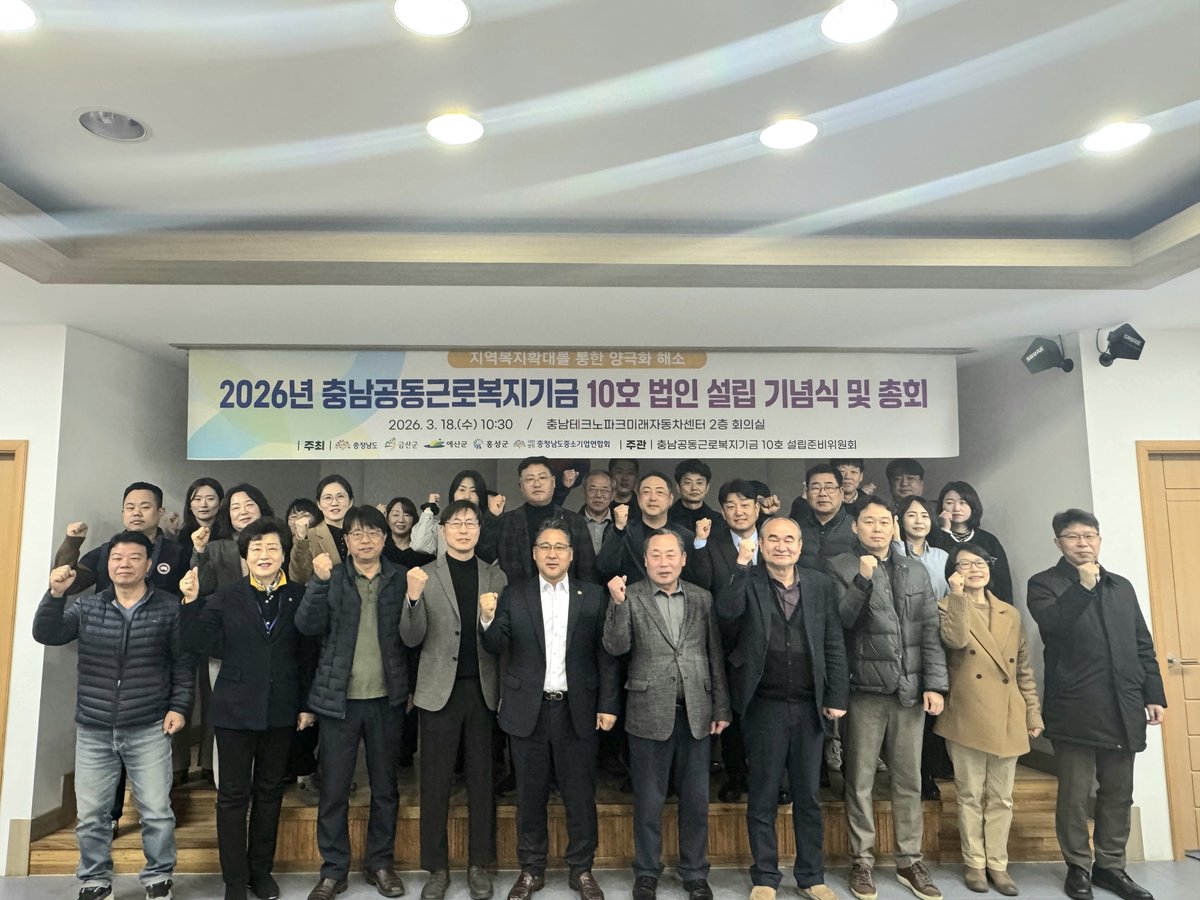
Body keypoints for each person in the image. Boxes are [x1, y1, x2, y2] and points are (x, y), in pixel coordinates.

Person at [35, 530, 193, 900]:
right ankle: (95, 880)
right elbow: (47, 633)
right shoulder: (88, 607)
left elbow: (183, 663)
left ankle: (158, 877)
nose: (125, 564)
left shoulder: (169, 607)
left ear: (149, 565)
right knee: (92, 814)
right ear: (108, 564)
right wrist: (55, 595)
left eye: (134, 557)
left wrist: (179, 707)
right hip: (94, 727)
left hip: (149, 724)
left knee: (156, 811)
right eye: (117, 558)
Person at [1027, 510, 1166, 900]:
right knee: (1074, 794)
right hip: (1075, 706)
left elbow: (1142, 643)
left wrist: (1153, 694)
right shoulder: (1044, 583)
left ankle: (1110, 866)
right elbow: (1052, 625)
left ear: (1099, 540)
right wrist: (1084, 588)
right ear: (1058, 543)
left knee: (1118, 793)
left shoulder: (1121, 586)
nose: (1083, 543)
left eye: (1089, 535)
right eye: (1073, 537)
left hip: (1123, 704)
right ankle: (1077, 866)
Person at [178, 518, 318, 900]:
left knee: (270, 793)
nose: (264, 555)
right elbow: (196, 640)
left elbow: (308, 655)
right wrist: (189, 602)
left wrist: (307, 704)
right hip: (234, 711)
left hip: (281, 710)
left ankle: (261, 872)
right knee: (232, 797)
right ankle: (235, 880)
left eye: (272, 547)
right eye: (256, 548)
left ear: (284, 553)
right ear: (246, 556)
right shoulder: (226, 596)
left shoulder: (301, 596)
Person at [480, 521, 620, 900]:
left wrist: (608, 704)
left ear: (571, 555)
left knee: (580, 795)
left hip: (578, 709)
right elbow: (496, 644)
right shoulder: (514, 594)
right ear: (534, 554)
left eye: (560, 547)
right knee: (530, 795)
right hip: (529, 709)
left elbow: (606, 655)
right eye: (545, 547)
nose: (552, 554)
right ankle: (531, 869)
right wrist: (488, 619)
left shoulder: (592, 596)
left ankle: (582, 869)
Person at [716, 516, 849, 900]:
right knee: (763, 794)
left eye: (789, 539)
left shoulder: (819, 584)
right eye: (772, 539)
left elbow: (833, 641)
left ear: (800, 545)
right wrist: (742, 566)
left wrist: (837, 695)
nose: (781, 545)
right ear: (761, 544)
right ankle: (765, 876)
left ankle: (811, 876)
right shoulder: (748, 579)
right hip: (764, 706)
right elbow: (726, 614)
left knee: (808, 797)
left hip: (809, 705)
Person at [826, 497, 948, 900]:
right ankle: (861, 860)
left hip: (909, 691)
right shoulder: (840, 566)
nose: (876, 528)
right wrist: (862, 581)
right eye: (868, 521)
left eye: (883, 521)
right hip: (864, 691)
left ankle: (909, 860)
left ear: (894, 526)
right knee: (859, 780)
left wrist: (935, 684)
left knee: (908, 780)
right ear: (855, 527)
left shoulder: (915, 570)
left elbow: (929, 630)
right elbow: (842, 623)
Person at [602, 531, 731, 900]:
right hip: (647, 712)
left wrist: (721, 706)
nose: (664, 562)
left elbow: (714, 654)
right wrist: (617, 604)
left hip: (696, 712)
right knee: (648, 800)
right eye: (656, 555)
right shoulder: (630, 595)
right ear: (645, 561)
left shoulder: (702, 598)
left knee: (696, 800)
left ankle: (695, 872)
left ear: (683, 559)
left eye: (670, 554)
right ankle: (646, 872)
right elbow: (615, 646)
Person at [295, 506, 411, 900]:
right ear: (345, 540)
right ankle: (333, 871)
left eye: (373, 533)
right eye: (357, 533)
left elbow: (412, 638)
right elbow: (306, 626)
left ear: (384, 538)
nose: (366, 540)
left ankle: (381, 864)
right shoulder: (332, 576)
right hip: (338, 702)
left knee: (386, 789)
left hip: (386, 700)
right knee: (334, 790)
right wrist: (317, 581)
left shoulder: (399, 578)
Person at [400, 499, 509, 900]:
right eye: (456, 523)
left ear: (480, 529)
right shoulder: (424, 575)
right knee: (435, 782)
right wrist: (412, 599)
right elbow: (410, 637)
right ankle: (437, 867)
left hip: (482, 691)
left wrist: (488, 621)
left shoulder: (496, 576)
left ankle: (479, 863)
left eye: (471, 523)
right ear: (442, 530)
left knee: (483, 781)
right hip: (437, 692)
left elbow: (503, 641)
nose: (464, 530)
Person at [936, 544, 1043, 896]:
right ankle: (974, 863)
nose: (974, 569)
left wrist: (1032, 710)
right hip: (966, 711)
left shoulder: (1010, 613)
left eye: (980, 562)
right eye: (965, 564)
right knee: (969, 794)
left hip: (1008, 712)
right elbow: (955, 640)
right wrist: (956, 596)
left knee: (1001, 797)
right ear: (954, 572)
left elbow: (1023, 668)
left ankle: (998, 863)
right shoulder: (946, 605)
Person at [703, 478, 762, 803]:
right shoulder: (713, 547)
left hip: (772, 643)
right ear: (723, 513)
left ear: (757, 508)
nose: (739, 511)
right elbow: (711, 593)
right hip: (730, 643)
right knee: (735, 714)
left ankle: (773, 779)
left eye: (745, 504)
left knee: (770, 718)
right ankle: (736, 776)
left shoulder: (773, 540)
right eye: (731, 506)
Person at [891, 496, 952, 800]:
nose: (919, 520)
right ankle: (907, 775)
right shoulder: (891, 554)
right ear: (899, 520)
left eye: (925, 515)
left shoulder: (942, 556)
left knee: (932, 711)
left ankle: (928, 772)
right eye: (911, 515)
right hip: (901, 639)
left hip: (937, 634)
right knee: (909, 712)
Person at [54, 481, 189, 598]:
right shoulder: (105, 552)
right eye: (130, 508)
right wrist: (72, 543)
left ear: (160, 512)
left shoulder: (177, 552)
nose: (136, 513)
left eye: (145, 507)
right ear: (123, 513)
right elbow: (69, 586)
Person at [598, 471, 712, 589]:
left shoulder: (686, 536)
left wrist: (700, 541)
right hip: (631, 598)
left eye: (660, 492)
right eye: (646, 492)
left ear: (670, 499)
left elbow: (701, 582)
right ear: (638, 498)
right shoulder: (621, 531)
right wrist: (618, 529)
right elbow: (604, 570)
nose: (652, 498)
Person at [497, 457, 597, 585]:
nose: (537, 484)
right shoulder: (506, 522)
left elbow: (587, 572)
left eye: (542, 477)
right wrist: (492, 517)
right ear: (521, 486)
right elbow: (485, 558)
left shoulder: (575, 521)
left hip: (566, 595)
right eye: (530, 479)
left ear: (553, 482)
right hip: (518, 595)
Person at [929, 482, 1013, 605]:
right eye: (950, 502)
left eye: (963, 502)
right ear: (941, 506)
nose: (956, 508)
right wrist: (945, 530)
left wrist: (1005, 611)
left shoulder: (989, 540)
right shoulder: (933, 539)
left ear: (973, 506)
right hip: (947, 606)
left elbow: (1003, 582)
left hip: (987, 607)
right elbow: (938, 567)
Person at [411, 469, 504, 562]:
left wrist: (492, 518)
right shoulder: (442, 526)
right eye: (462, 490)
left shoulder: (491, 524)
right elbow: (420, 545)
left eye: (473, 491)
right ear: (453, 493)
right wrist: (429, 509)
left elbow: (488, 557)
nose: (467, 496)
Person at [789, 464, 856, 572]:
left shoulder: (856, 528)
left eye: (829, 488)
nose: (822, 494)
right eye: (815, 488)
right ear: (807, 493)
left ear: (841, 492)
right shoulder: (795, 527)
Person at [289, 474, 355, 583]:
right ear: (319, 504)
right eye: (328, 498)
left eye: (340, 497)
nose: (334, 503)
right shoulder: (308, 536)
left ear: (351, 502)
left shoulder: (361, 533)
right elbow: (298, 578)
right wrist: (301, 538)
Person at [383, 496, 437, 569]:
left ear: (414, 520)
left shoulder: (426, 550)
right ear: (387, 519)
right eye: (396, 515)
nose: (401, 520)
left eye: (407, 515)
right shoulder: (380, 549)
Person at [668, 459, 718, 532]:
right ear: (678, 487)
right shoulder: (666, 518)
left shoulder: (717, 519)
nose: (694, 488)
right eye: (688, 483)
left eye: (699, 483)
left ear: (707, 488)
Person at [177, 477, 224, 551]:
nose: (203, 504)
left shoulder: (229, 535)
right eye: (197, 499)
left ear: (220, 503)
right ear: (189, 505)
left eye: (210, 499)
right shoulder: (182, 536)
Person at [580, 470, 616, 555]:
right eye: (592, 490)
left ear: (613, 495)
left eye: (604, 490)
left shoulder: (623, 525)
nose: (598, 495)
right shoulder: (572, 524)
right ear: (584, 492)